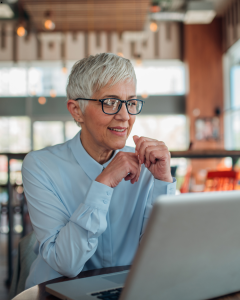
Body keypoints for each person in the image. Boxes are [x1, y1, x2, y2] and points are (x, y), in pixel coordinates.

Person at [22, 53, 176, 289]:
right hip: (56, 293)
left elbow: (162, 256)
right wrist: (103, 183)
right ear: (76, 111)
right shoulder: (40, 166)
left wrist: (163, 182)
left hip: (127, 291)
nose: (125, 116)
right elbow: (67, 263)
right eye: (110, 102)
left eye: (131, 103)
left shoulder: (147, 165)